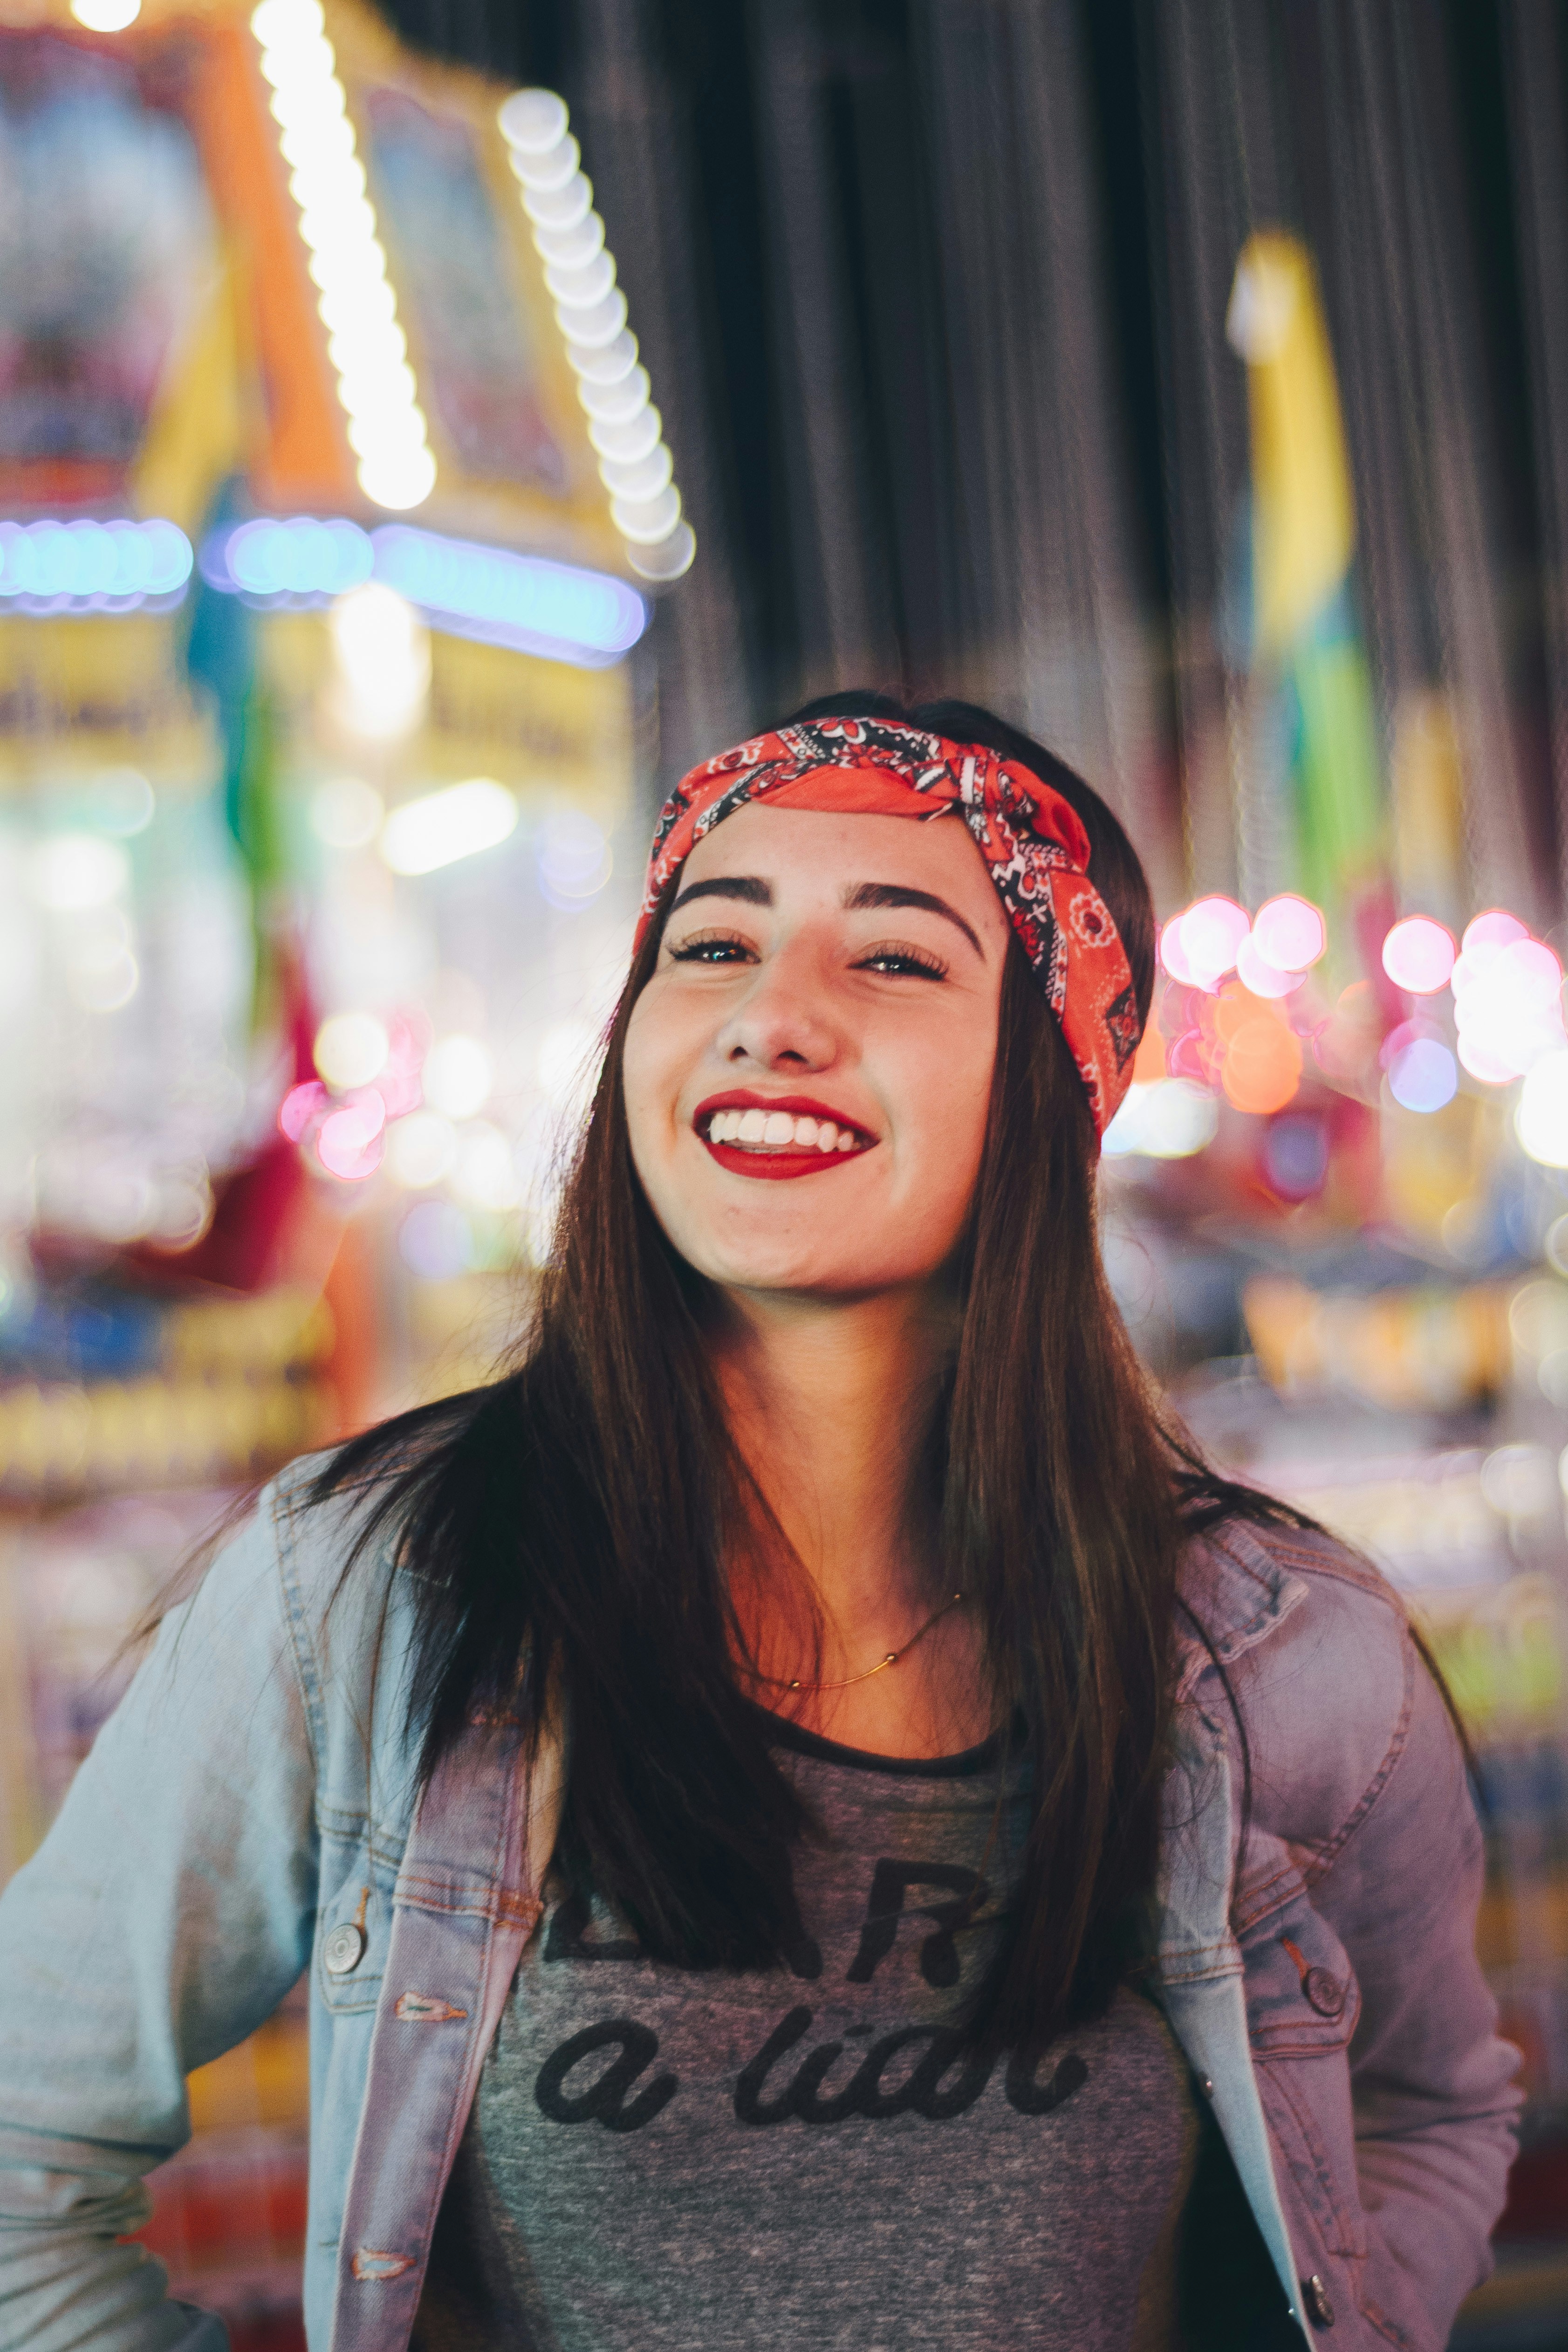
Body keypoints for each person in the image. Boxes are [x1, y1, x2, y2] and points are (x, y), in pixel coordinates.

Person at [0, 695, 1520, 2352]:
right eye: (710, 948)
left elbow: (1421, 2117)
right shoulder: (377, 1583)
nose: (770, 1020)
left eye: (893, 960)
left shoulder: (1280, 1644)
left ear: (1055, 1075)